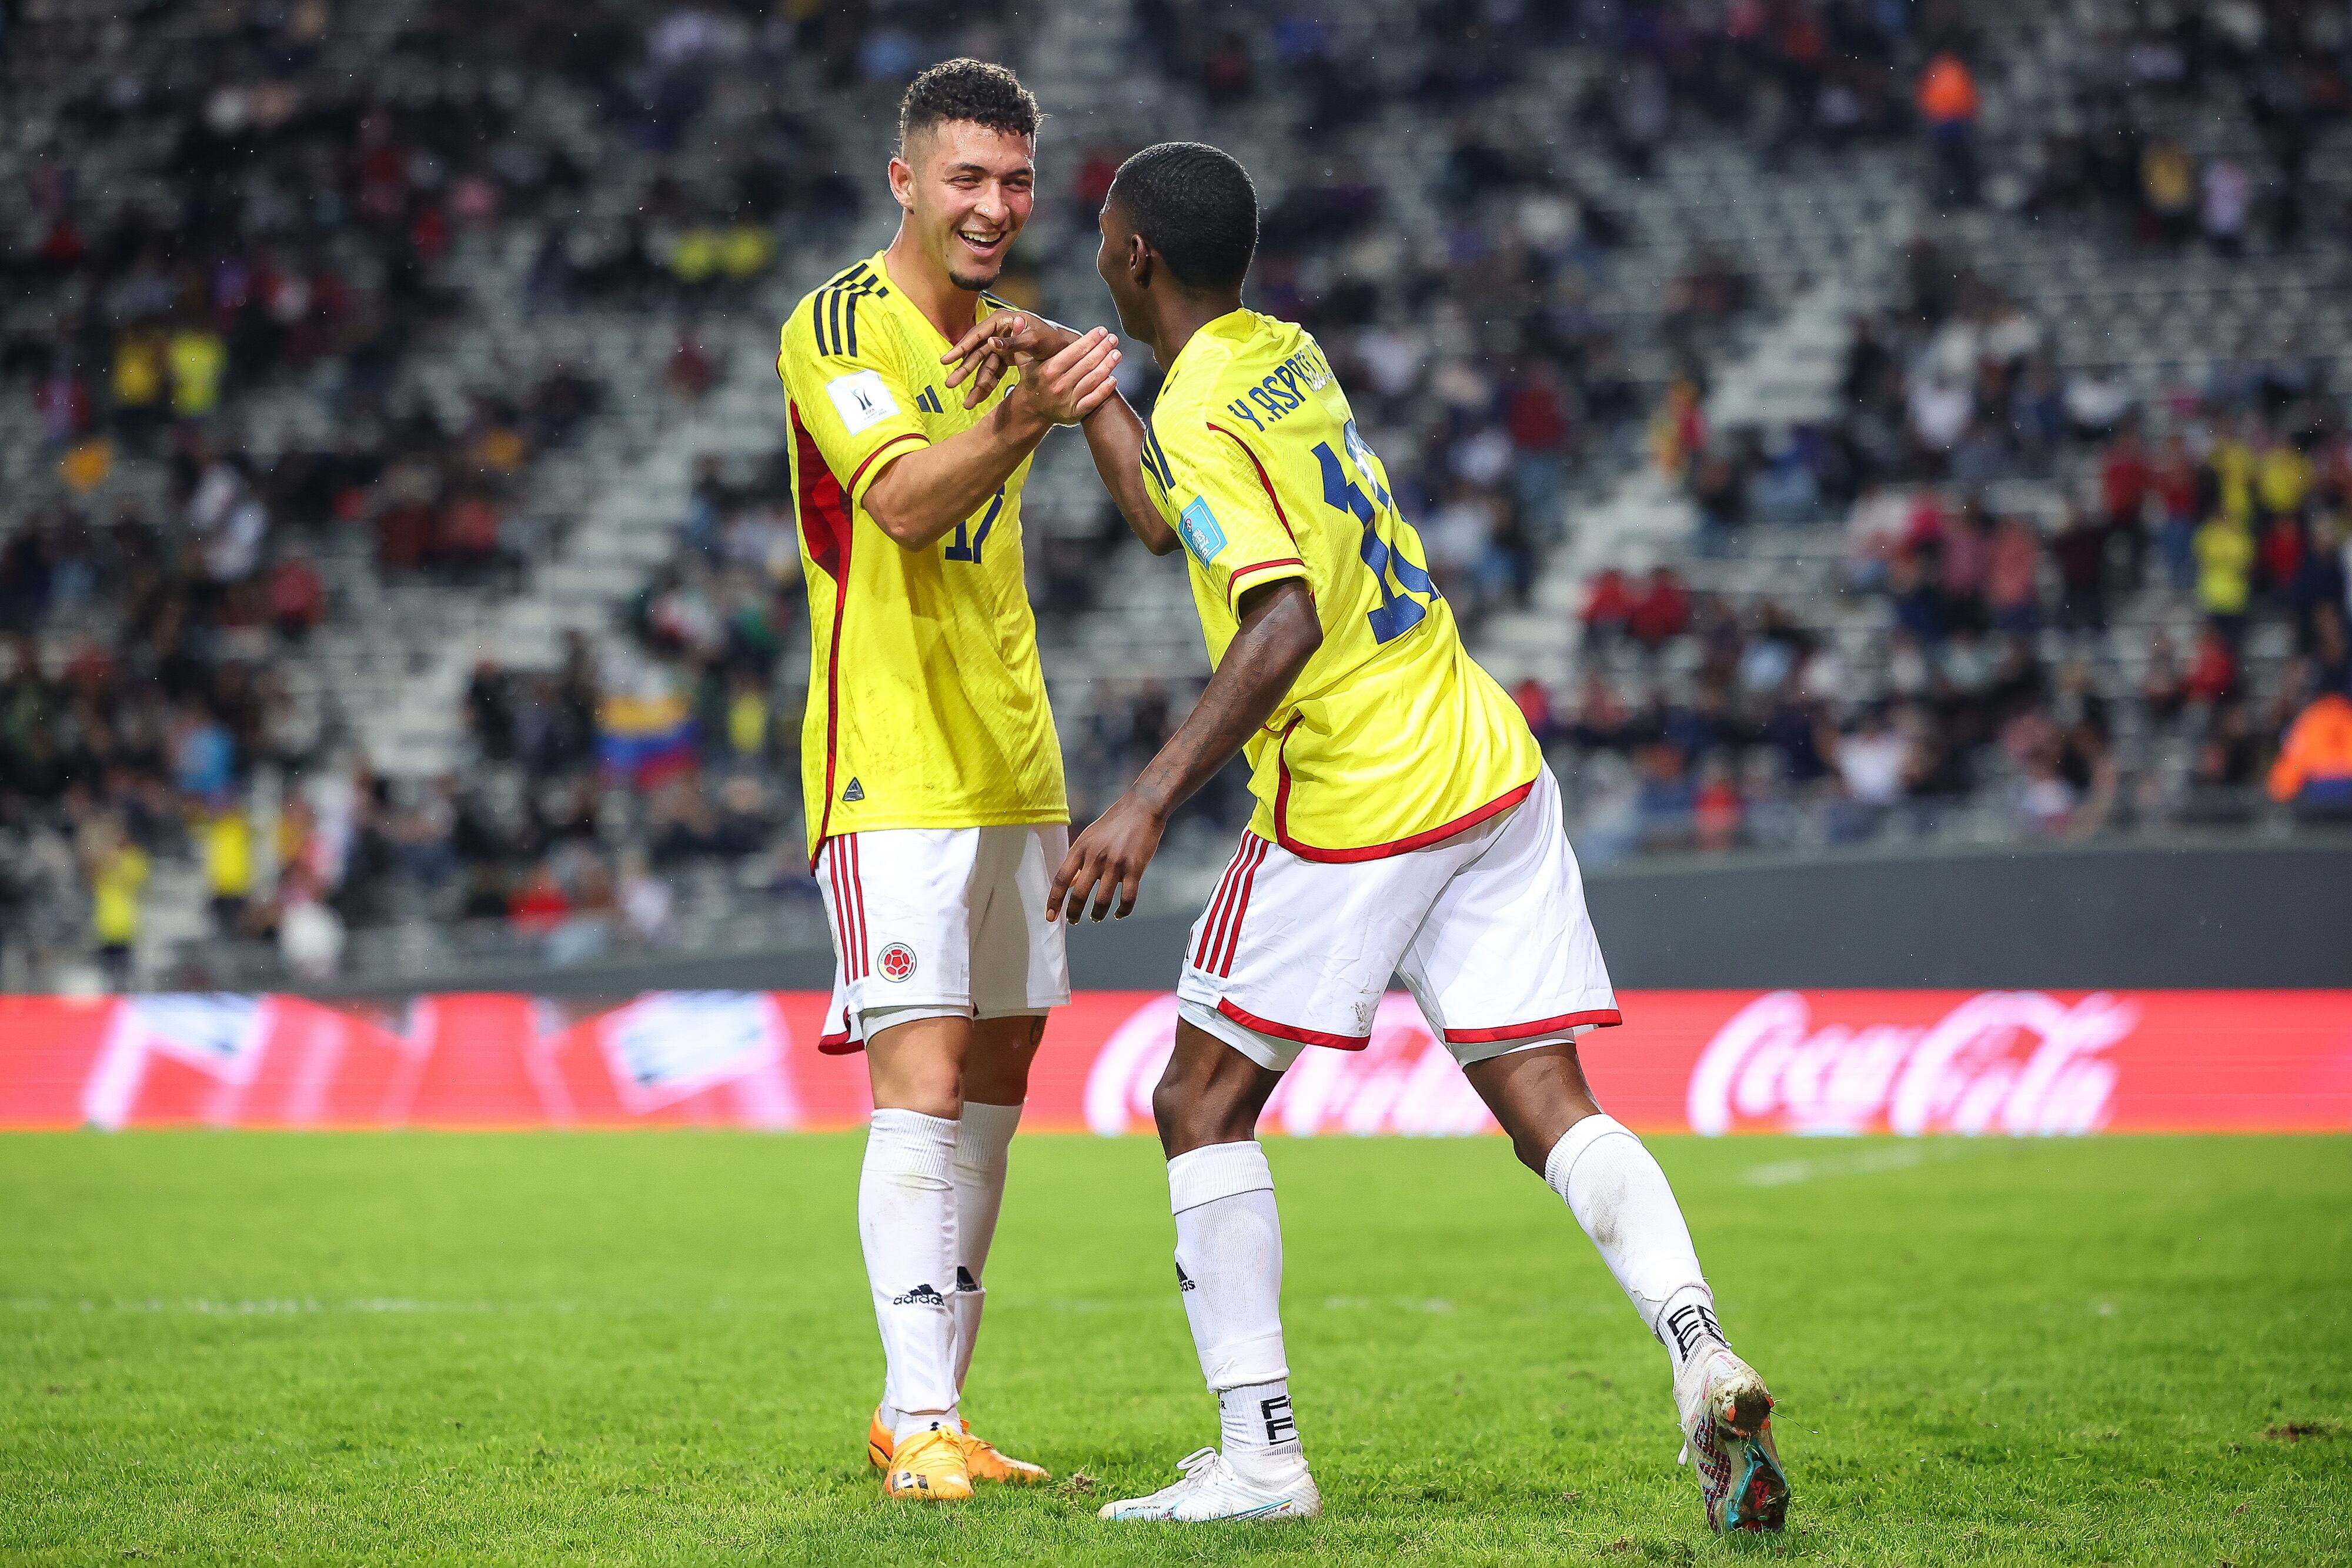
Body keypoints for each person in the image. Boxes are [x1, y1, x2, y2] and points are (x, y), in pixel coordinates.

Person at [943, 142, 1789, 1532]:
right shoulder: (1284, 355)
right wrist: (1089, 391)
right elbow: (1171, 519)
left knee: (1197, 1101)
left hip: (1353, 795)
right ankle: (1699, 1346)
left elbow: (1281, 617)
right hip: (1480, 757)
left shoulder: (1202, 404)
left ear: (1135, 257)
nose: (1091, 252)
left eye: (1100, 235)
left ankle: (1260, 1455)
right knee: (1549, 1102)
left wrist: (1148, 793)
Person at [770, 59, 1154, 1506]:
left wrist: (1082, 391)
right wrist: (1023, 414)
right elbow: (902, 505)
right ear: (906, 182)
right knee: (920, 1085)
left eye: (1015, 181)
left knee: (995, 1085)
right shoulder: (836, 324)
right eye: (966, 179)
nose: (993, 206)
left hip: (1012, 764)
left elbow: (1146, 515)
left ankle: (927, 1411)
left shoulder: (1010, 334)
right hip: (891, 764)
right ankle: (920, 1411)